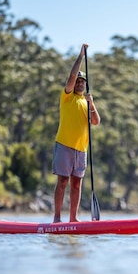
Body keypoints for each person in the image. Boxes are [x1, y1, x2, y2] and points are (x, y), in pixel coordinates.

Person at [52, 43, 100, 223]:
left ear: (86, 84)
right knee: (62, 181)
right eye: (78, 81)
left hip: (82, 149)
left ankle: (73, 219)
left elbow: (96, 122)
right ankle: (57, 218)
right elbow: (72, 75)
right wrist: (81, 56)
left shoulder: (86, 101)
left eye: (82, 82)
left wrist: (92, 104)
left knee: (76, 184)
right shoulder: (67, 97)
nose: (79, 83)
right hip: (64, 145)